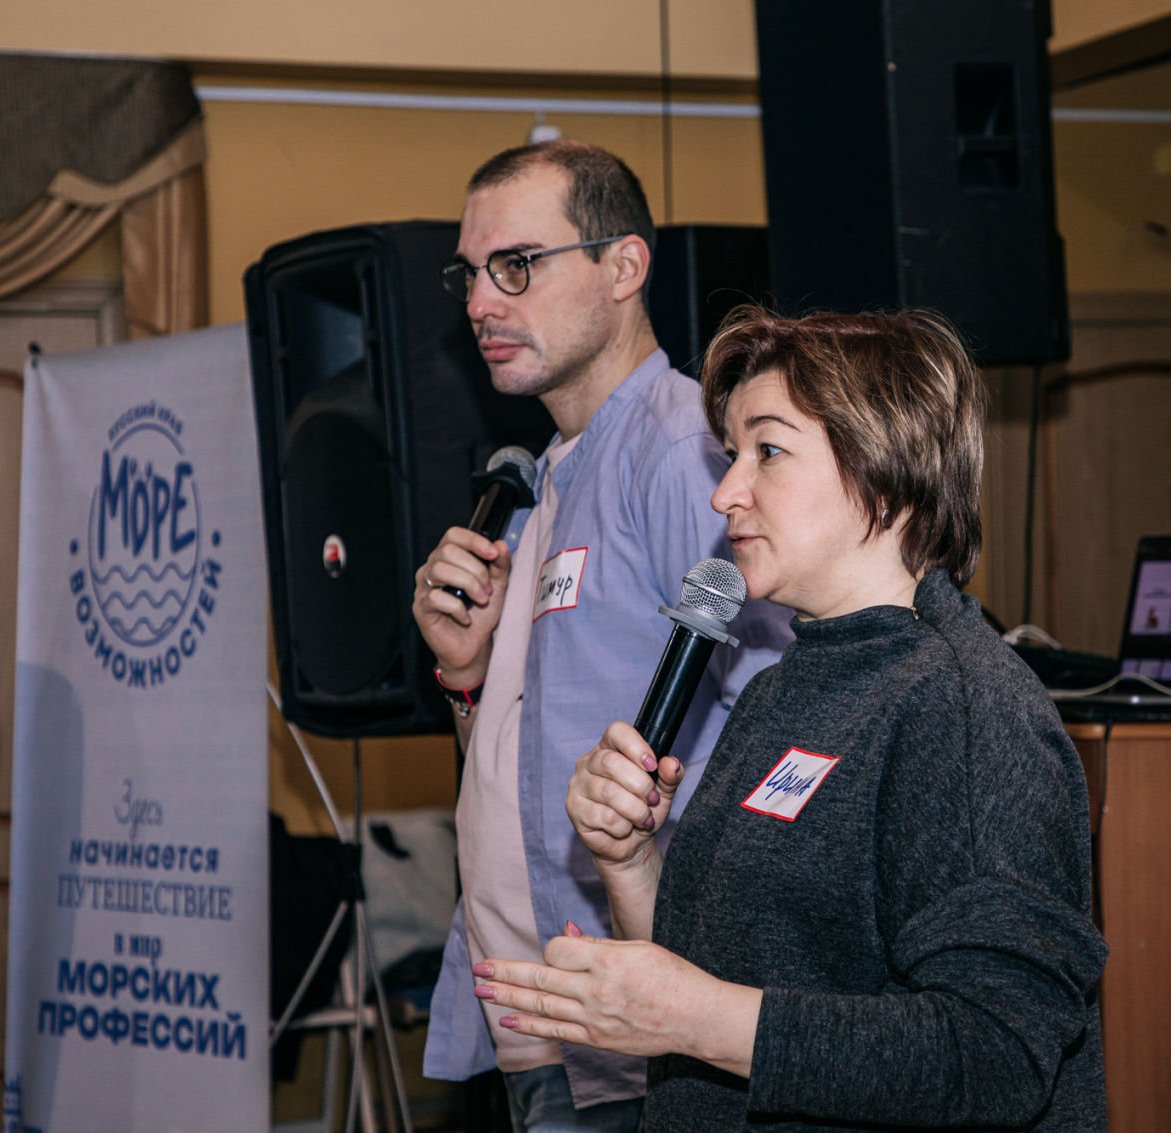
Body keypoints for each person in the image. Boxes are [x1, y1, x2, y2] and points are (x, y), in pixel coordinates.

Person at [471, 307, 1110, 1131]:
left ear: (885, 470)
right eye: (731, 453)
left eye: (767, 451)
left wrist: (698, 1019)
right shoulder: (782, 690)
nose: (725, 492)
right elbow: (717, 973)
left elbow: (994, 1056)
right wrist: (628, 861)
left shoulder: (966, 709)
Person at [412, 144, 791, 1131]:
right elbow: (519, 764)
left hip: (636, 1033)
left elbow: (778, 718)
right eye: (469, 273)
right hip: (543, 1026)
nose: (480, 303)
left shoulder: (681, 453)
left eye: (516, 265)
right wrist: (465, 676)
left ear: (623, 267)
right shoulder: (542, 474)